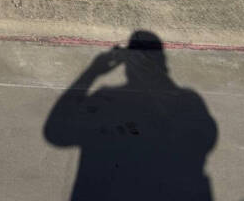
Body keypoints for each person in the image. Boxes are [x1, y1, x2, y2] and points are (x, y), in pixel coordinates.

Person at [44, 31, 218, 200]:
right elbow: (202, 138)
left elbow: (55, 133)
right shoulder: (187, 100)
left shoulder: (106, 101)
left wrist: (92, 72)